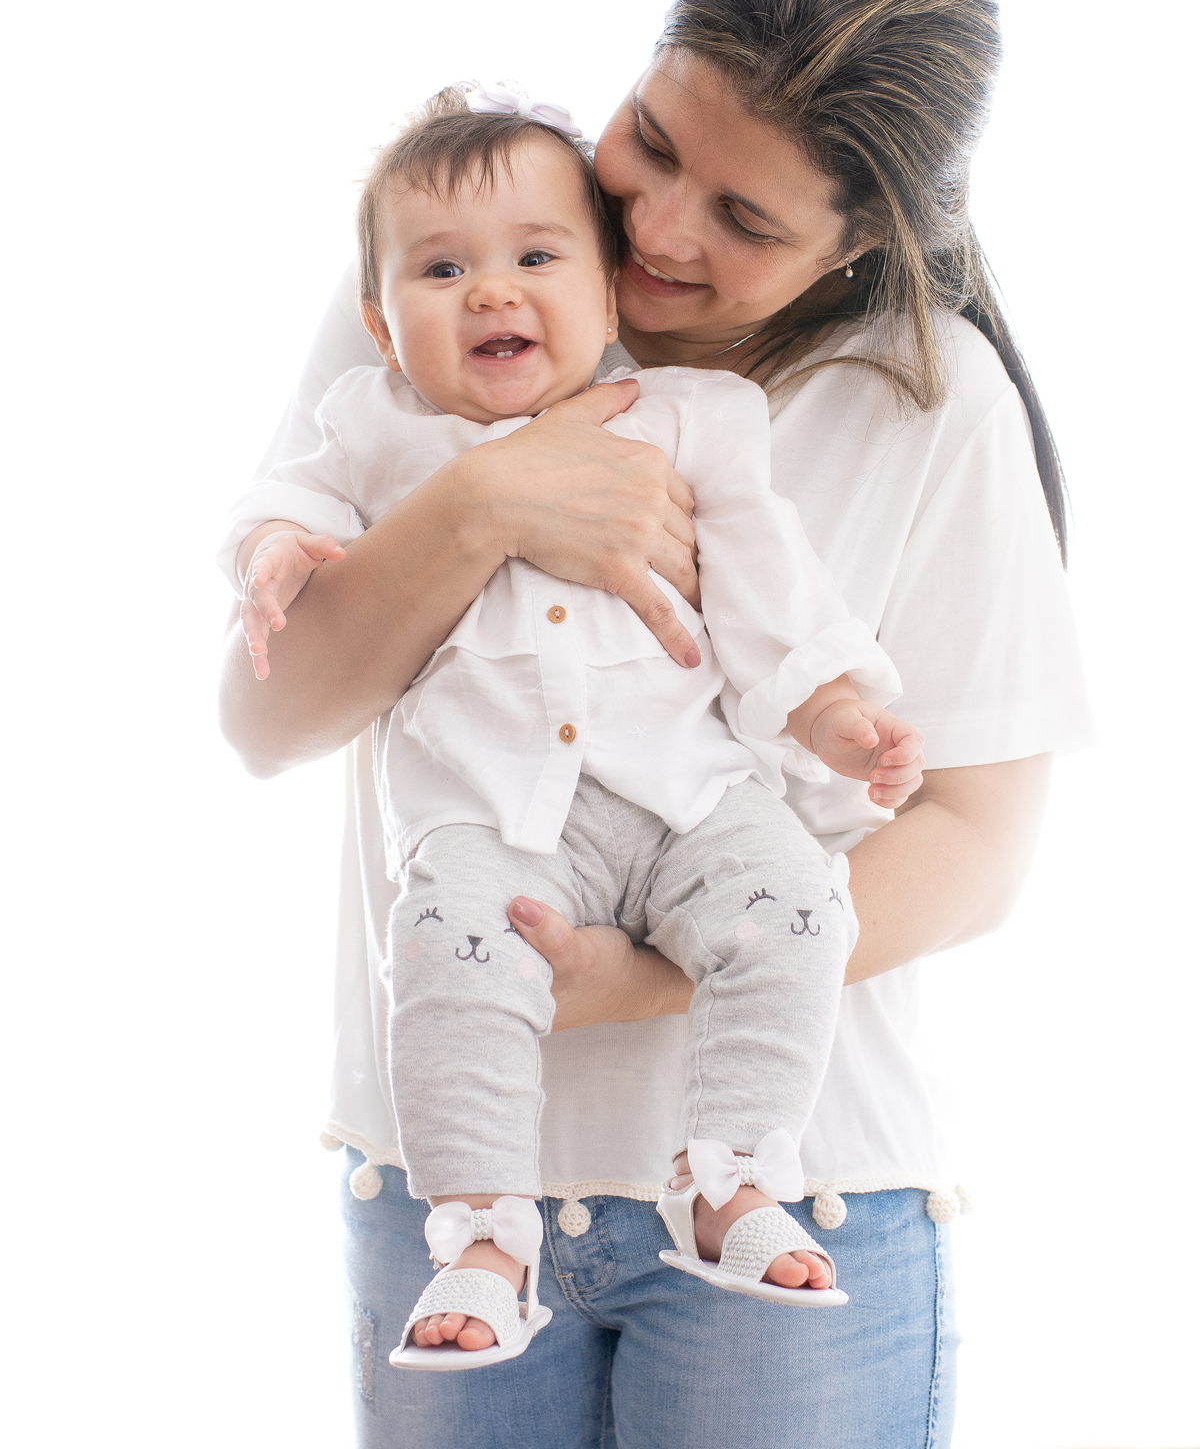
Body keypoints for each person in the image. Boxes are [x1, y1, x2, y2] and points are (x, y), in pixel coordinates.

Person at [218, 0, 1092, 1448]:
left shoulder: (930, 402)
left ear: (862, 242)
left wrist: (644, 984)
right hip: (444, 1194)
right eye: (656, 142)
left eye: (746, 218)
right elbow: (267, 719)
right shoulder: (447, 280)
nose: (666, 229)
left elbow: (975, 844)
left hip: (809, 1186)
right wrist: (487, 502)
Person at [222, 81, 926, 1367]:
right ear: (381, 324)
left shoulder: (692, 417)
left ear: (609, 299)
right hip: (493, 816)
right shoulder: (374, 427)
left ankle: (730, 1173)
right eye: (443, 270)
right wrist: (273, 553)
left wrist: (830, 708)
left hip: (687, 798)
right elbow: (289, 504)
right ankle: (484, 1233)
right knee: (443, 954)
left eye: (536, 259)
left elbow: (767, 574)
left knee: (802, 905)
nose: (491, 290)